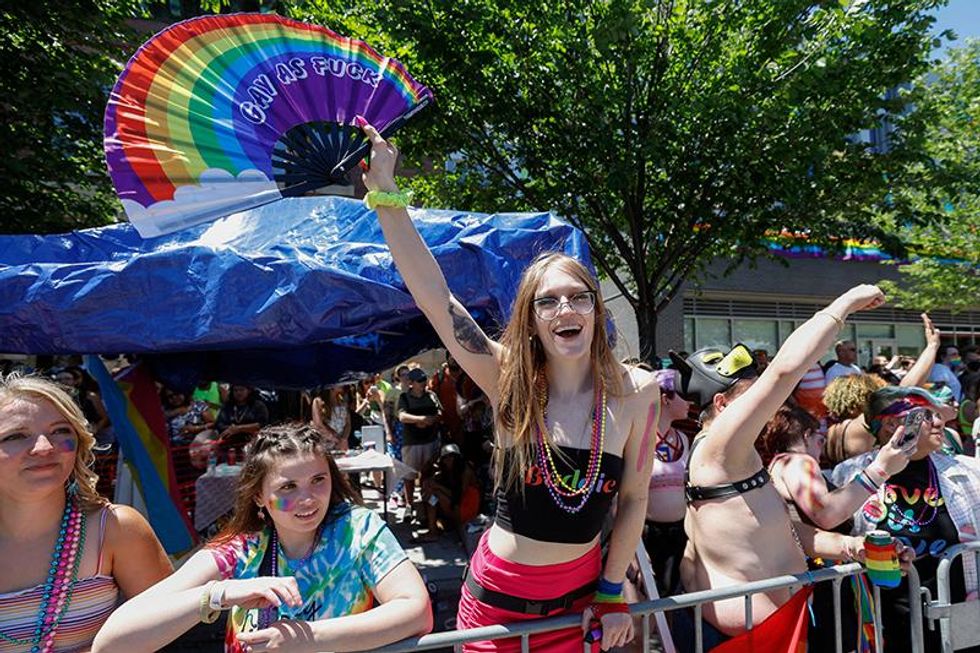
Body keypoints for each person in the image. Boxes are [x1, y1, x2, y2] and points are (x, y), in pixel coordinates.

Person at [359, 118, 660, 652]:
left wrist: (613, 591)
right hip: (496, 609)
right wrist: (386, 191)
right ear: (531, 319)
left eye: (578, 296)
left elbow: (634, 497)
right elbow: (435, 298)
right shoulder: (508, 381)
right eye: (547, 301)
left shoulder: (637, 391)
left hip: (580, 605)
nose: (564, 309)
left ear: (595, 308)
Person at [674, 286, 912, 652]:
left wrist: (851, 546)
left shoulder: (735, 455)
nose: (767, 403)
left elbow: (777, 531)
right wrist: (840, 307)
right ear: (721, 404)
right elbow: (785, 372)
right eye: (753, 396)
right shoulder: (717, 448)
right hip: (740, 640)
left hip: (782, 627)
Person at [92, 423, 432, 653]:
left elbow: (416, 611)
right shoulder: (238, 549)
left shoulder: (358, 529)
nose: (309, 499)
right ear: (258, 497)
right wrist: (218, 594)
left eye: (318, 480)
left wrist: (309, 640)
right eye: (287, 487)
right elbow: (112, 643)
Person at [0, 374, 172, 652]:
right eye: (16, 436)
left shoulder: (116, 528)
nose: (45, 447)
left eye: (60, 431)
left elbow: (170, 629)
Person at [832, 386, 980, 653]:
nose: (939, 422)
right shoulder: (849, 474)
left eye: (937, 414)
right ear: (891, 424)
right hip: (887, 618)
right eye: (926, 415)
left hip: (960, 608)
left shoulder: (968, 471)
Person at [758, 403, 911, 653]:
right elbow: (825, 514)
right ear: (807, 435)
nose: (821, 445)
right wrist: (880, 471)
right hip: (824, 575)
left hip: (816, 574)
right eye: (819, 438)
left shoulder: (776, 464)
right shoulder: (798, 462)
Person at [642, 368, 692, 598]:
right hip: (647, 535)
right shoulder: (638, 438)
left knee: (678, 600)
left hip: (682, 534)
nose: (690, 400)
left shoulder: (683, 439)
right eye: (682, 394)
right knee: (650, 604)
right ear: (665, 398)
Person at [398, 367, 443, 516]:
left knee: (428, 473)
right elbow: (402, 417)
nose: (423, 383)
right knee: (409, 475)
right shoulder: (404, 398)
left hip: (429, 440)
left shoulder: (431, 396)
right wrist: (420, 420)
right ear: (411, 383)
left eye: (424, 379)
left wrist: (431, 420)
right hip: (411, 442)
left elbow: (440, 412)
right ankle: (409, 505)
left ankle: (426, 505)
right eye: (420, 381)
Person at [417, 443, 481, 543]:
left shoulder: (466, 471)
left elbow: (458, 496)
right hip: (456, 505)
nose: (448, 460)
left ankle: (433, 531)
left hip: (466, 509)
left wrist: (438, 487)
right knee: (431, 492)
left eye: (451, 457)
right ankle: (432, 525)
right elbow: (425, 473)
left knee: (436, 493)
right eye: (446, 458)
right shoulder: (447, 472)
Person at [310, 386, 349, 451]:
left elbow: (348, 424)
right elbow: (318, 425)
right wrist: (336, 439)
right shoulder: (317, 401)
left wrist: (343, 439)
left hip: (341, 445)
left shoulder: (342, 400)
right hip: (325, 446)